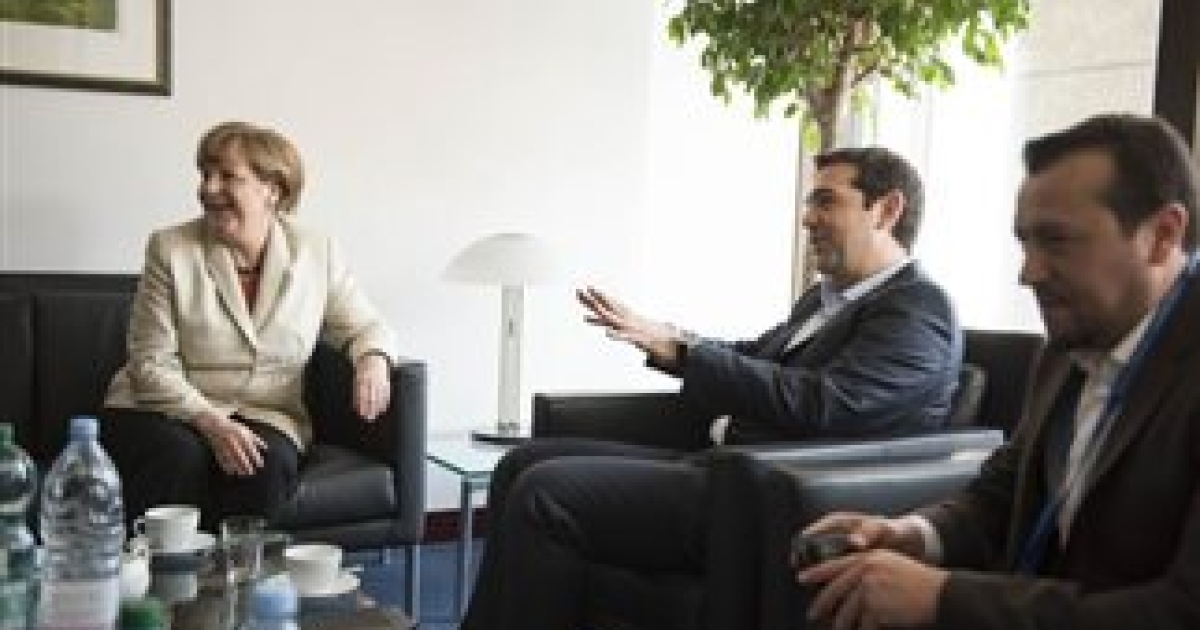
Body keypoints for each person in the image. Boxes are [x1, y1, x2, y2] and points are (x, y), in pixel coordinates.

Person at [461, 146, 963, 629]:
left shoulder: (918, 307)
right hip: (724, 469)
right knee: (520, 464)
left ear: (887, 210)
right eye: (810, 203)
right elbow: (754, 356)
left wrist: (687, 353)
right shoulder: (823, 301)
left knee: (546, 494)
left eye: (826, 202)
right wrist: (670, 339)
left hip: (767, 495)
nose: (808, 219)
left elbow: (830, 403)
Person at [797, 114, 1200, 630]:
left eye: (1056, 241)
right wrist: (914, 535)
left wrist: (945, 599)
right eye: (1025, 243)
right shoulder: (1070, 347)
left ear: (1163, 235)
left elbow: (1184, 611)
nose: (1028, 273)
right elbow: (1001, 498)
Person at [101, 121, 397, 530]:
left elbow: (366, 325)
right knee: (180, 456)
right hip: (163, 408)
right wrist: (210, 421)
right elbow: (150, 364)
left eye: (227, 176)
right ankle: (163, 567)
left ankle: (238, 568)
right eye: (205, 174)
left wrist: (372, 360)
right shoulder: (171, 249)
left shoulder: (316, 250)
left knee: (264, 463)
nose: (208, 188)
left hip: (265, 412)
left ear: (273, 189)